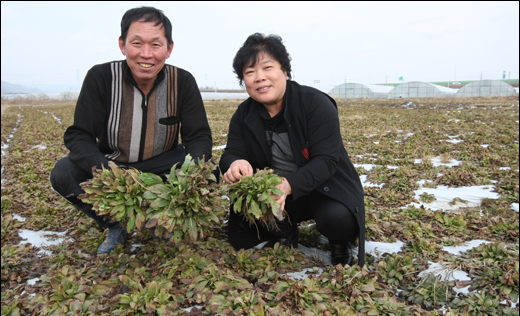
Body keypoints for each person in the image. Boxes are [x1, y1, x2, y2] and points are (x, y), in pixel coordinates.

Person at [50, 7, 214, 255]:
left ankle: (162, 220)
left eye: (156, 45)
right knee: (63, 172)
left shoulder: (183, 81)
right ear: (122, 44)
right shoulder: (101, 77)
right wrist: (108, 172)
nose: (146, 54)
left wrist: (192, 175)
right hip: (116, 166)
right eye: (137, 43)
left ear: (169, 49)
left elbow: (198, 136)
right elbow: (79, 135)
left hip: (164, 168)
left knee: (210, 172)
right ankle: (115, 222)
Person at [219, 33, 366, 267]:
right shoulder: (243, 115)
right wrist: (235, 163)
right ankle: (284, 231)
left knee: (337, 218)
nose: (259, 77)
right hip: (277, 193)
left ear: (285, 71)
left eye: (267, 67)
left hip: (324, 188)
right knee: (243, 227)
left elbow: (327, 160)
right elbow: (230, 153)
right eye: (250, 72)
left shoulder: (315, 103)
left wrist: (289, 184)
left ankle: (340, 242)